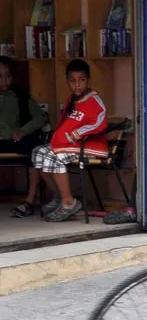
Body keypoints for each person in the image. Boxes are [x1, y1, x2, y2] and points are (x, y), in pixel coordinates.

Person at [15, 59, 108, 222]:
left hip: (90, 146)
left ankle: (68, 202)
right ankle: (60, 195)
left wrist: (77, 133)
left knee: (53, 156)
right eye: (72, 81)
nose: (77, 85)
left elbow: (100, 120)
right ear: (67, 81)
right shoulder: (72, 99)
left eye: (82, 80)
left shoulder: (94, 100)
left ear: (88, 80)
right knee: (38, 153)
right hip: (71, 145)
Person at [0, 57, 48, 216]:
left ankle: (29, 201)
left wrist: (23, 130)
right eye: (0, 76)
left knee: (34, 149)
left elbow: (41, 118)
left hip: (14, 140)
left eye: (7, 76)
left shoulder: (21, 96)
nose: (4, 80)